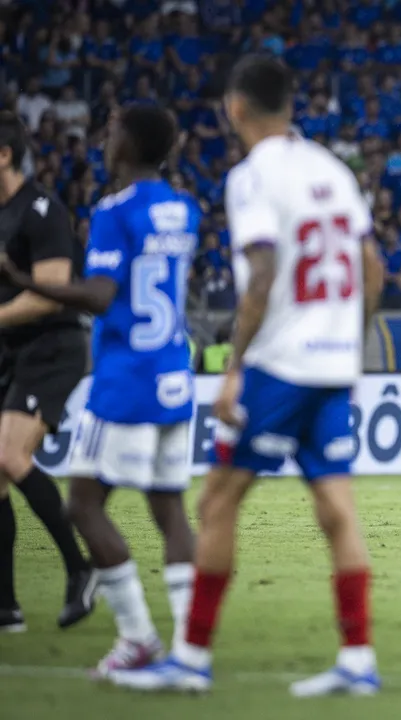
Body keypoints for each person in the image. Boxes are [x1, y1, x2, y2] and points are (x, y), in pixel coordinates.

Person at [110, 55, 385, 697]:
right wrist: (349, 344)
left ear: (235, 108)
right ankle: (358, 659)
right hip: (331, 362)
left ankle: (191, 657)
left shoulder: (250, 177)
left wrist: (233, 370)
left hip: (281, 364)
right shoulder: (333, 169)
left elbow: (261, 274)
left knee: (216, 501)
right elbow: (371, 266)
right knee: (337, 510)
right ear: (291, 104)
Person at [0, 103, 198, 674]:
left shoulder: (116, 210)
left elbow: (100, 296)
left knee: (83, 506)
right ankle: (190, 645)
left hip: (127, 378)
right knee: (170, 511)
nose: (105, 142)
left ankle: (137, 637)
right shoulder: (182, 209)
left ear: (129, 146)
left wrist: (21, 281)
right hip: (173, 376)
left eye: (112, 134)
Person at [0, 110, 95, 632]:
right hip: (13, 351)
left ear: (5, 155)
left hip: (53, 346)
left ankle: (82, 568)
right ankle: (6, 606)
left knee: (10, 455)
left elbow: (48, 291)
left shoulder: (41, 210)